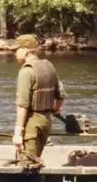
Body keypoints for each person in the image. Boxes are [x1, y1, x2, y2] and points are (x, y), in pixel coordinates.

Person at [11, 34, 66, 168]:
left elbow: (22, 105)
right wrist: (55, 109)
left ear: (25, 50)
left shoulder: (26, 71)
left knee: (26, 164)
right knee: (36, 158)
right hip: (46, 122)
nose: (14, 54)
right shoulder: (49, 66)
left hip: (32, 123)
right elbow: (61, 95)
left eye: (16, 50)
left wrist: (18, 133)